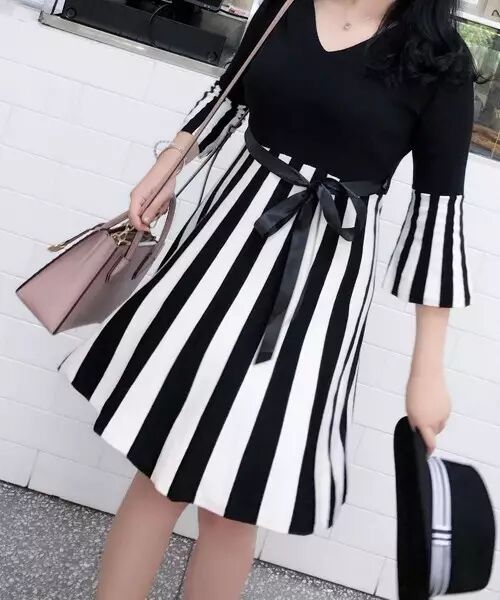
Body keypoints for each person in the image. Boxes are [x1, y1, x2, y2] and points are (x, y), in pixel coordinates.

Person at [58, 0, 478, 598]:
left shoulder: (440, 60)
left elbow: (438, 214)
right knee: (158, 472)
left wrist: (427, 371)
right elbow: (229, 96)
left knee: (235, 500)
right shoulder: (286, 7)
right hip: (221, 256)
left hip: (318, 292)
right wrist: (167, 166)